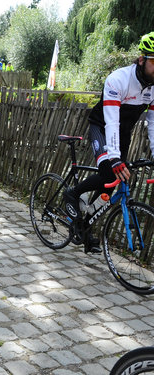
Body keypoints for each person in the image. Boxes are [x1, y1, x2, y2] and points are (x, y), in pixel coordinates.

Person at [63, 31, 154, 254]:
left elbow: (153, 125)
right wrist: (114, 158)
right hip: (102, 127)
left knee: (114, 182)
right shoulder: (118, 79)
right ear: (141, 60)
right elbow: (111, 120)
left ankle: (85, 226)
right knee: (108, 171)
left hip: (123, 132)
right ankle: (72, 193)